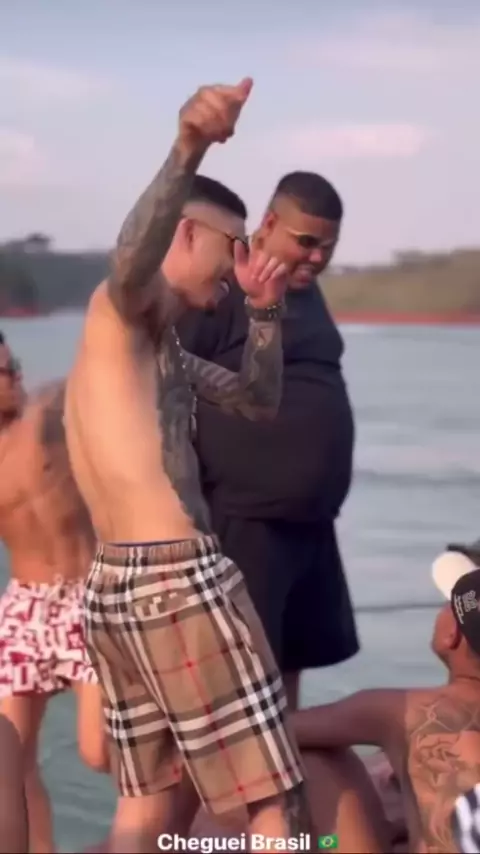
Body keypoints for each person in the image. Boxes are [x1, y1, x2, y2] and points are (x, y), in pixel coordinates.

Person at [64, 78, 312, 853]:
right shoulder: (123, 307)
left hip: (116, 588)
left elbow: (256, 401)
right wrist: (189, 145)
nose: (236, 267)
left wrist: (264, 312)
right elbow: (129, 259)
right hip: (175, 577)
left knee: (148, 809)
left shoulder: (155, 349)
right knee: (277, 804)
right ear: (185, 235)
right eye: (230, 246)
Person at [177, 170, 358, 709]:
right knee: (240, 696)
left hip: (311, 525)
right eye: (306, 242)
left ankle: (289, 769)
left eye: (328, 247)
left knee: (288, 687)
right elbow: (167, 390)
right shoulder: (222, 287)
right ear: (270, 222)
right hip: (243, 524)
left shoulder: (306, 289)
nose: (317, 258)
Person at [284, 539, 480, 853]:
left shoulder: (400, 710)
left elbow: (276, 730)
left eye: (446, 605)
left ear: (451, 635)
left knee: (316, 757)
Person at [0, 332, 106, 853]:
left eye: (14, 365)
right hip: (25, 606)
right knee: (9, 758)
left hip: (86, 597)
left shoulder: (46, 411)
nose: (15, 376)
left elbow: (98, 369)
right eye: (3, 373)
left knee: (99, 752)